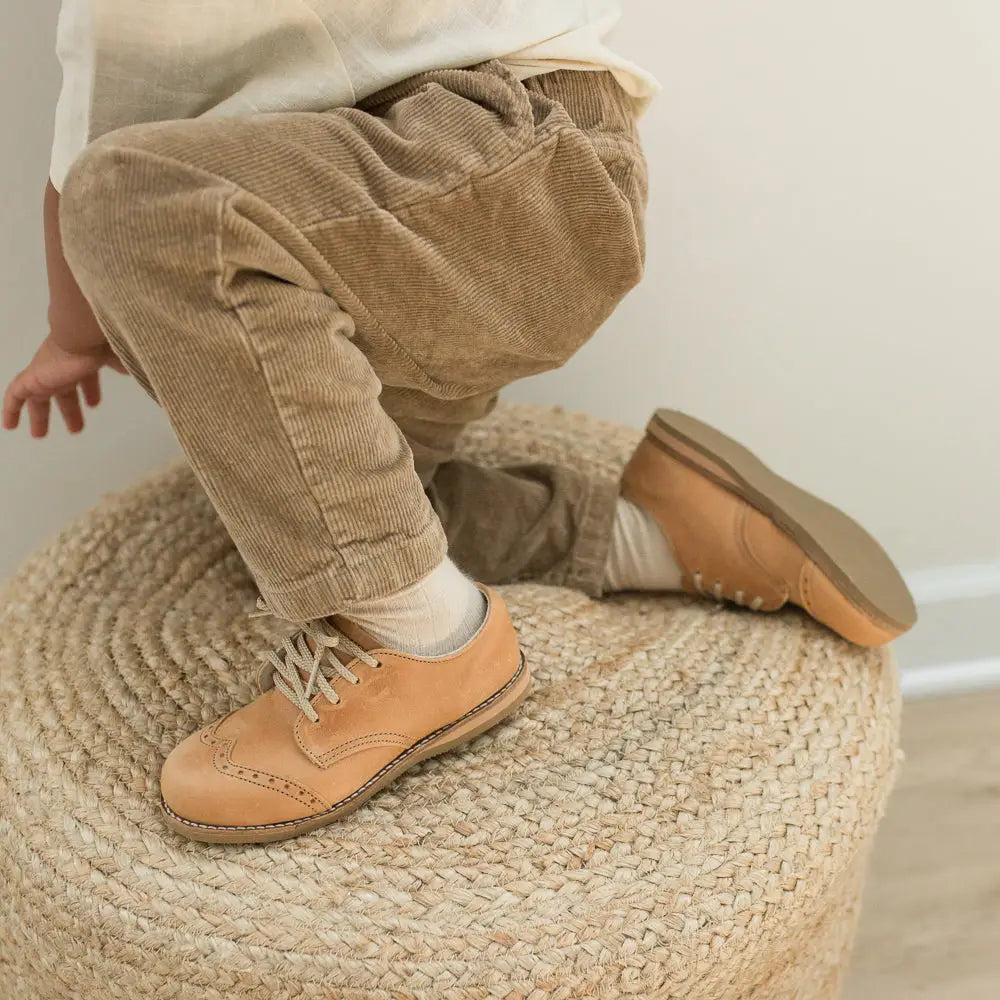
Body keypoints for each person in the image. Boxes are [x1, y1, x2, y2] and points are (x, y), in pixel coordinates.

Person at [2, 1, 915, 845]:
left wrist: (71, 334)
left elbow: (94, 168)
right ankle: (656, 535)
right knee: (333, 511)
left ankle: (422, 642)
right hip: (480, 205)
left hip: (486, 158)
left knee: (139, 201)